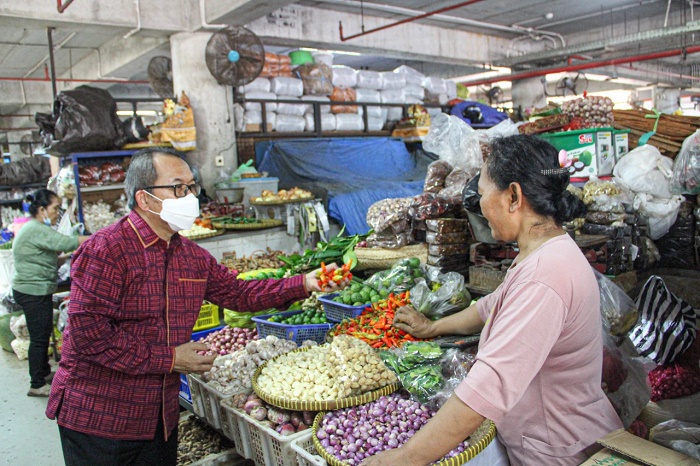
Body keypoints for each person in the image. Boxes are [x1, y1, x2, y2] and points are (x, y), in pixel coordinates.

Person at [46, 147, 348, 466]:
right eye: (178, 187)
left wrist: (303, 283)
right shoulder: (106, 251)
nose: (191, 197)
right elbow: (87, 337)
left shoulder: (191, 256)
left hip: (160, 417)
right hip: (102, 418)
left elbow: (239, 294)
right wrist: (172, 357)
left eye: (192, 187)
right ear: (144, 199)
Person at [362, 135, 623, 466]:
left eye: (483, 194)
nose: (480, 205)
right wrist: (432, 327)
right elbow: (490, 307)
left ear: (513, 196)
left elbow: (489, 386)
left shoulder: (546, 276)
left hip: (554, 448)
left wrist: (404, 458)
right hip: (548, 433)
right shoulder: (543, 252)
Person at [11, 189, 89, 397]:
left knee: (42, 334)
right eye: (55, 208)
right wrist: (98, 237)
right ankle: (36, 384)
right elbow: (66, 243)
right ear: (42, 209)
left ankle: (43, 373)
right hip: (32, 291)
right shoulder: (35, 228)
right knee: (39, 338)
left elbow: (50, 253)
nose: (57, 212)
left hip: (33, 290)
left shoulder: (33, 228)